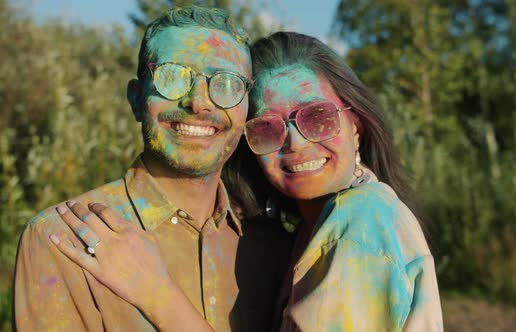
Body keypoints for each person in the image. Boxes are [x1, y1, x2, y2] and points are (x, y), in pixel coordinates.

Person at [53, 32, 444, 331]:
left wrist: (156, 292)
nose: (296, 142)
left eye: (316, 117)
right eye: (267, 128)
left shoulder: (362, 220)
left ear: (356, 123)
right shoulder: (303, 234)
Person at [13, 7, 291, 332]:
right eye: (172, 76)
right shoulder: (62, 240)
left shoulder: (274, 247)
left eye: (226, 84)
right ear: (135, 99)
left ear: (247, 108)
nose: (198, 102)